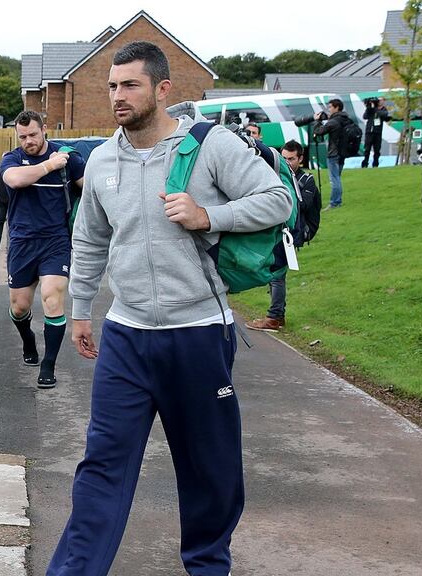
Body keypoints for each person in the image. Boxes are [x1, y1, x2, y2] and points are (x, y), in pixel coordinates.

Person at [50, 41, 291, 576]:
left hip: (198, 332)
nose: (118, 96)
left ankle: (208, 565)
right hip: (127, 336)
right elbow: (89, 240)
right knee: (102, 467)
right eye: (112, 86)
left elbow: (277, 199)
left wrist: (210, 215)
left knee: (209, 469)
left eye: (130, 85)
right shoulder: (104, 159)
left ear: (162, 90)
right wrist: (81, 308)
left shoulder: (210, 146)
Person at [0, 110, 85, 388]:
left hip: (55, 241)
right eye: (22, 136)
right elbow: (14, 180)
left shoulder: (67, 157)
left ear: (45, 129)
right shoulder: (11, 159)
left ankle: (48, 365)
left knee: (52, 298)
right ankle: (28, 340)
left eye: (33, 134)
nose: (28, 141)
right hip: (22, 243)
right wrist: (49, 166)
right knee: (19, 306)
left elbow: (90, 188)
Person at [246, 140, 318, 332]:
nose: (287, 162)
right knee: (273, 272)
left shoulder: (306, 180)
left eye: (291, 159)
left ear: (300, 159)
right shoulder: (281, 176)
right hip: (284, 229)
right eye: (284, 158)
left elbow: (300, 206)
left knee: (277, 274)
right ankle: (277, 313)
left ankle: (275, 316)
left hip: (297, 231)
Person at [308, 99, 347, 209]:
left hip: (334, 153)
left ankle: (335, 202)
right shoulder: (344, 119)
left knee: (334, 179)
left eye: (330, 107)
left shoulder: (334, 122)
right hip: (342, 152)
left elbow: (318, 132)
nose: (329, 109)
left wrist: (317, 121)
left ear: (337, 107)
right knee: (337, 177)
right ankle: (337, 200)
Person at [361, 97, 390, 168]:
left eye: (381, 100)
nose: (379, 102)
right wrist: (369, 108)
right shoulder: (371, 109)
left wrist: (374, 109)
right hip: (369, 131)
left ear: (383, 101)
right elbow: (365, 116)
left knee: (377, 149)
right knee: (367, 148)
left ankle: (375, 163)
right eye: (378, 100)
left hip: (378, 132)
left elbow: (384, 115)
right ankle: (365, 162)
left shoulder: (384, 110)